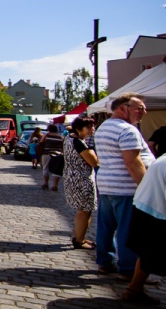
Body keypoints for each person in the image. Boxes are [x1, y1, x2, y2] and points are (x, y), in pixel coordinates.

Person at [94, 93, 155, 278]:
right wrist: (146, 187)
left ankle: (104, 261)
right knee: (127, 229)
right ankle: (128, 269)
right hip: (126, 187)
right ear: (123, 108)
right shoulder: (127, 130)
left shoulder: (104, 127)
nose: (143, 112)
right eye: (139, 109)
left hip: (107, 184)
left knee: (106, 226)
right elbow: (133, 162)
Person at [124, 154, 166, 304]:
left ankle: (133, 289)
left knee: (147, 252)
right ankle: (133, 289)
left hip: (145, 206)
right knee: (150, 252)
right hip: (157, 212)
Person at [63, 116, 99, 250]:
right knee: (85, 211)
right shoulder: (79, 142)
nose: (92, 129)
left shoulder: (68, 138)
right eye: (89, 127)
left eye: (93, 126)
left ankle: (79, 236)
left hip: (72, 177)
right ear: (79, 129)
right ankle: (79, 240)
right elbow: (94, 162)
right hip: (82, 179)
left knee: (82, 210)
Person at [39, 124, 64, 190]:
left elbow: (41, 142)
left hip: (46, 153)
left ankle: (46, 183)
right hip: (57, 154)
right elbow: (63, 145)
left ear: (49, 129)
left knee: (45, 168)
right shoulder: (60, 137)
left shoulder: (46, 135)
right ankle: (55, 185)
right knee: (56, 170)